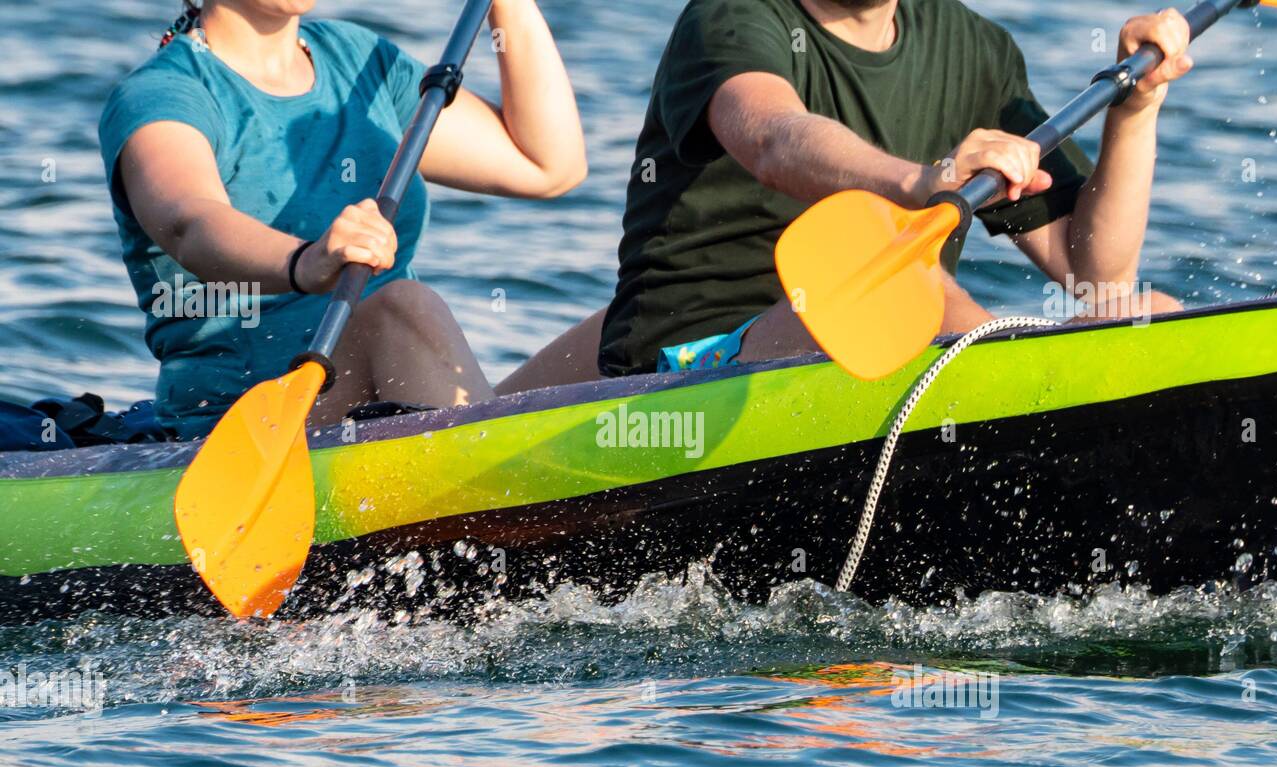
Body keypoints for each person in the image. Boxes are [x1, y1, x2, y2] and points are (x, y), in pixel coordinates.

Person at [499, 0, 1189, 393]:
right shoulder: (732, 18)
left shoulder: (974, 49)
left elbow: (1095, 275)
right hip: (684, 377)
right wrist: (925, 180)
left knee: (1148, 314)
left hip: (880, 352)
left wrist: (1135, 109)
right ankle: (1025, 407)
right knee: (907, 284)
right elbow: (776, 139)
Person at [100, 0, 585, 439]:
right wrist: (305, 262)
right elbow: (190, 222)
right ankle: (505, 501)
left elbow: (547, 167)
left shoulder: (359, 62)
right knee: (402, 306)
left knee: (631, 325)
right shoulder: (163, 94)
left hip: (397, 408)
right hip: (250, 435)